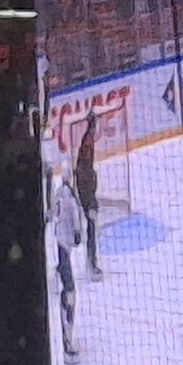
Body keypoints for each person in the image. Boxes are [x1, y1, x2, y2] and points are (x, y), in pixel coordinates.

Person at [49, 163, 85, 363]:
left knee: (68, 286)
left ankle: (58, 275)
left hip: (60, 242)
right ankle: (67, 344)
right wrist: (77, 234)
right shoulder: (70, 198)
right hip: (64, 243)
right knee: (70, 294)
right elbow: (75, 219)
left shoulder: (58, 194)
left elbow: (53, 214)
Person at [73, 110, 103, 280]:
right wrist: (91, 202)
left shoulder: (86, 145)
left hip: (87, 195)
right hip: (87, 197)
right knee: (91, 230)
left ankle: (92, 262)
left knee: (92, 230)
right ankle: (91, 264)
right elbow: (85, 181)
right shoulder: (86, 148)